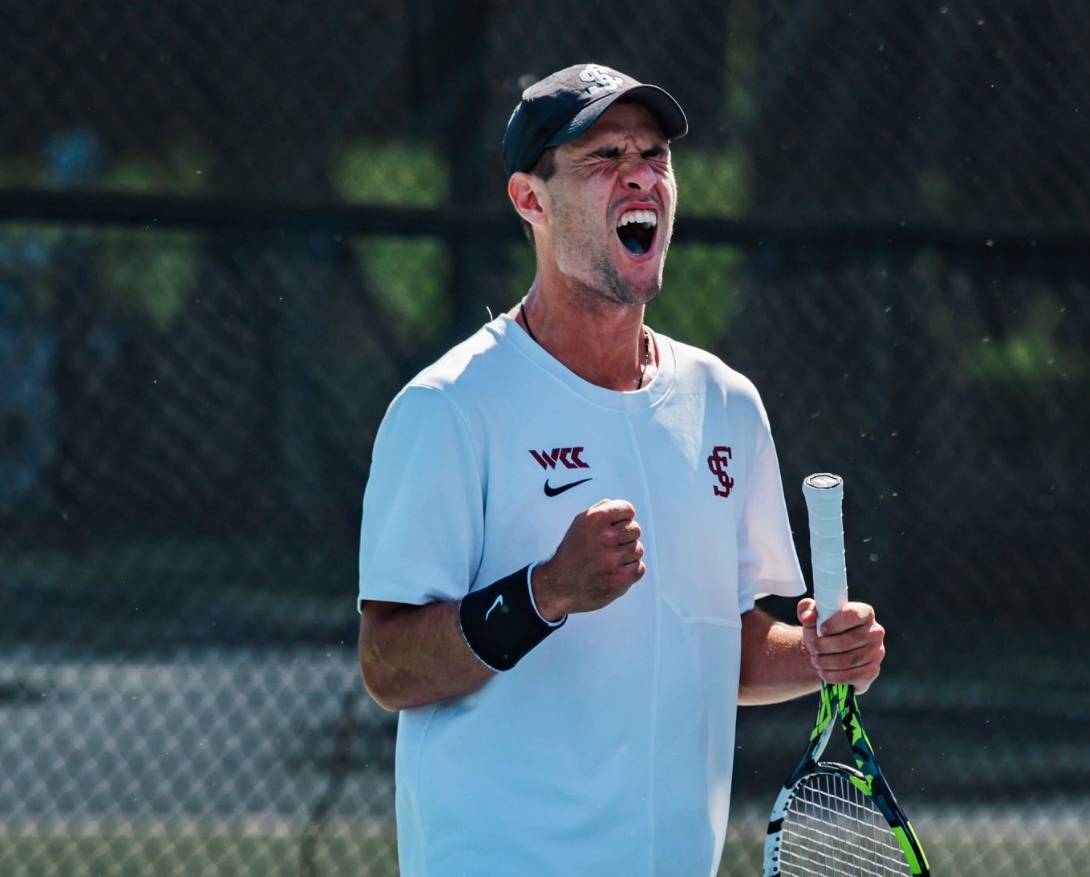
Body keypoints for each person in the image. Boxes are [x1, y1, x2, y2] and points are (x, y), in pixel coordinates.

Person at [357, 62, 888, 876]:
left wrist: (817, 655)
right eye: (604, 157)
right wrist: (543, 593)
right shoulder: (449, 407)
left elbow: (721, 644)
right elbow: (388, 665)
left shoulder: (727, 404)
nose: (640, 174)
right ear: (530, 200)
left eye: (654, 155)